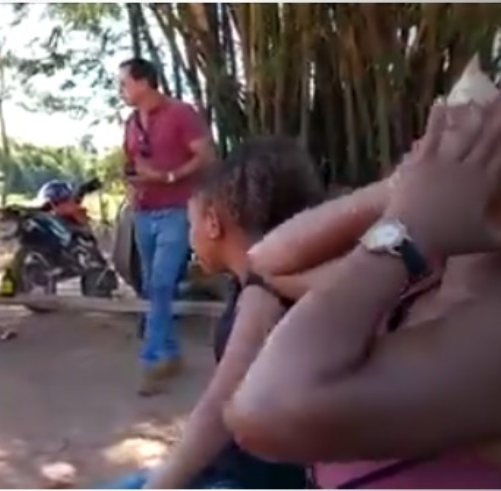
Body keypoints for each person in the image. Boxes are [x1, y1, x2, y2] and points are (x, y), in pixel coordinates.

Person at [225, 95, 501, 487]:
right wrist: (403, 188)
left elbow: (266, 407)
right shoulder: (420, 275)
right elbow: (268, 259)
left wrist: (409, 225)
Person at [108, 137, 324, 488]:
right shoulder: (274, 279)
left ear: (212, 223)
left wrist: (160, 486)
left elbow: (218, 409)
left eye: (190, 223)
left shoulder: (262, 296)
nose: (190, 237)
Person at [119, 57, 216, 396]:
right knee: (152, 284)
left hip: (177, 209)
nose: (121, 90)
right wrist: (133, 180)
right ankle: (171, 353)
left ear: (144, 82)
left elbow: (206, 156)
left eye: (125, 83)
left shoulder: (181, 114)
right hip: (144, 211)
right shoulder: (132, 122)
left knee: (161, 282)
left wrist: (169, 176)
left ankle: (151, 360)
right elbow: (131, 161)